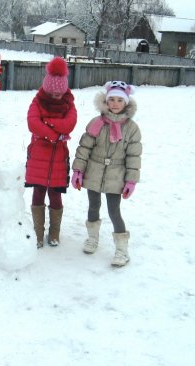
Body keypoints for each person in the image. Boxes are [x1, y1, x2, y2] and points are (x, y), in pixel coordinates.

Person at [71, 80, 142, 267]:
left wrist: (131, 181)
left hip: (116, 175)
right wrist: (78, 170)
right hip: (94, 171)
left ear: (126, 102)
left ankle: (121, 249)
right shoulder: (96, 123)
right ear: (105, 101)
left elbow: (134, 156)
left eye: (120, 100)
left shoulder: (132, 128)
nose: (116, 104)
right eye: (112, 100)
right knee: (93, 205)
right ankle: (92, 239)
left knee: (114, 210)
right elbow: (84, 148)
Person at [24, 56, 77, 248]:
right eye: (52, 93)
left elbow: (69, 124)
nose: (56, 96)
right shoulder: (37, 101)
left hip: (58, 159)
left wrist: (48, 123)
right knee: (38, 193)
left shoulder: (69, 102)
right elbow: (32, 123)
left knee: (55, 195)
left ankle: (54, 232)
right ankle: (38, 233)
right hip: (39, 156)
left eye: (59, 93)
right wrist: (54, 136)